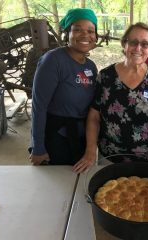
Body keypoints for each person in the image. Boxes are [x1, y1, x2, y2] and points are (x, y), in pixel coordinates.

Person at [73, 22, 148, 173]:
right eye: (133, 42)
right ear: (124, 44)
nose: (138, 48)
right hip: (110, 159)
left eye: (145, 44)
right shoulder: (106, 76)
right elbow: (94, 116)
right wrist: (90, 151)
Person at [30, 8, 98, 165]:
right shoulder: (53, 60)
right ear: (67, 33)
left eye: (90, 31)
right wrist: (38, 147)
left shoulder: (91, 66)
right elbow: (38, 106)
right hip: (56, 137)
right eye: (77, 29)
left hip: (81, 138)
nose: (85, 35)